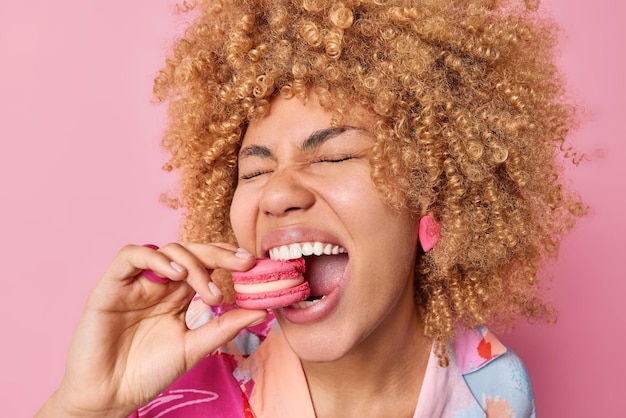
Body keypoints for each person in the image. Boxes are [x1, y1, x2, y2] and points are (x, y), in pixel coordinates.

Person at [36, 0, 584, 416]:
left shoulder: (491, 390)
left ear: (430, 196)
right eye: (253, 171)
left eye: (334, 155)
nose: (277, 193)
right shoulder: (181, 363)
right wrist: (87, 404)